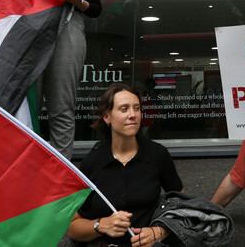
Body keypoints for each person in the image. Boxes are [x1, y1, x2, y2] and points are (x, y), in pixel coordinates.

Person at [69, 83, 183, 247]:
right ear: (107, 117)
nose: (133, 115)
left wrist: (160, 231)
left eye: (136, 108)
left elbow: (183, 206)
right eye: (124, 109)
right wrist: (101, 225)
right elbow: (74, 228)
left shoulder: (157, 154)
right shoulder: (92, 162)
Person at [34, 0, 102, 159]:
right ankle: (25, 165)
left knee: (62, 106)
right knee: (30, 102)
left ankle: (60, 168)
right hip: (34, 27)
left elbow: (95, 8)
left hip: (70, 24)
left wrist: (77, 1)